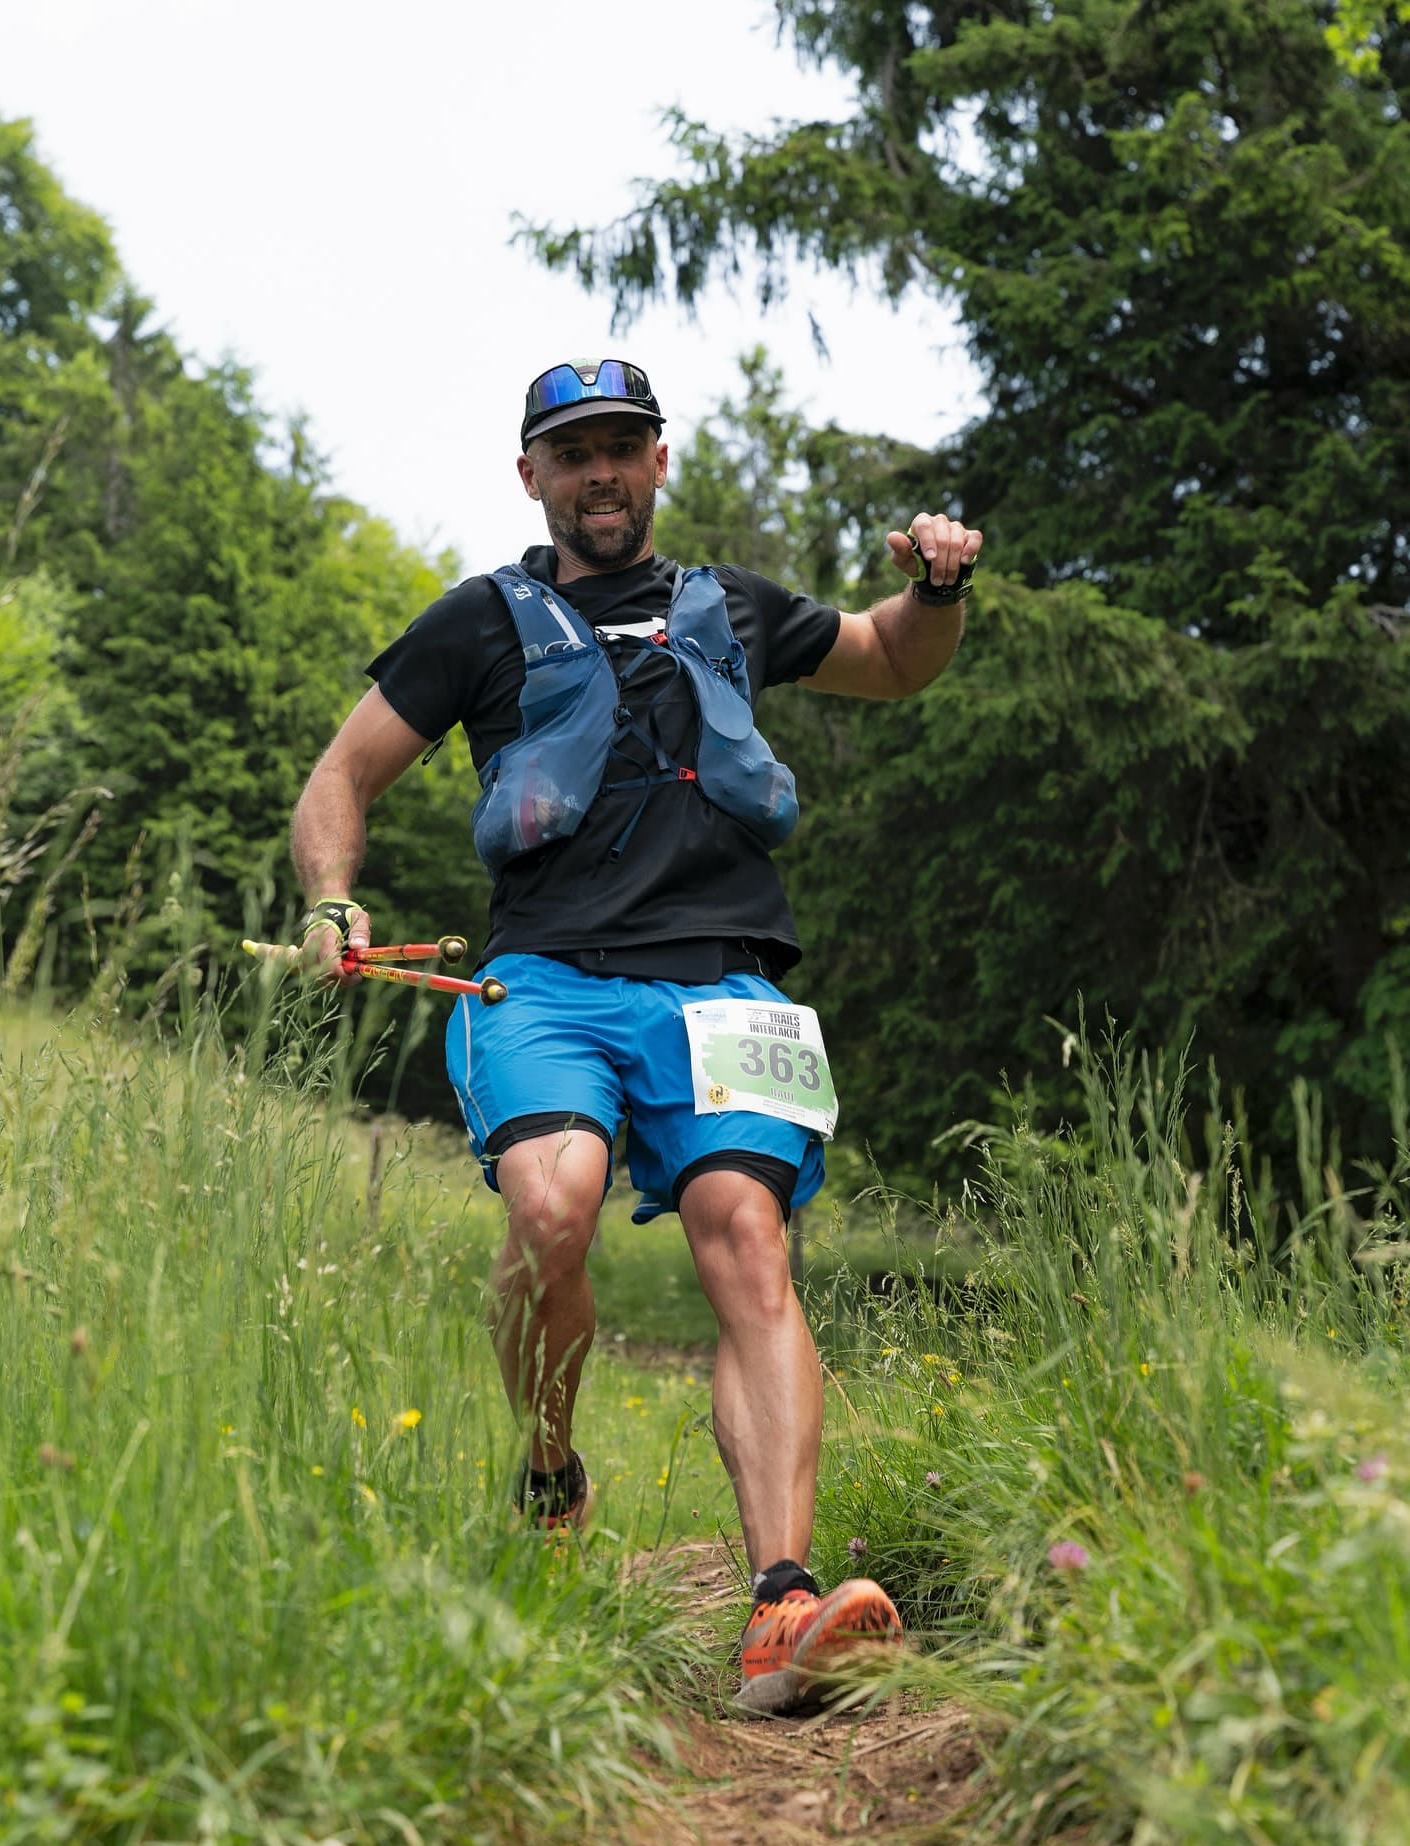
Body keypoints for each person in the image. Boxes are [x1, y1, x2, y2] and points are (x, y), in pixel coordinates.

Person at [290, 357, 981, 1715]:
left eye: (622, 446)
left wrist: (940, 585)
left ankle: (783, 1602)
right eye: (572, 451)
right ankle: (550, 1464)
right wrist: (332, 897)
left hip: (727, 989)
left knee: (746, 1238)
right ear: (532, 474)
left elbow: (895, 659)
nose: (599, 471)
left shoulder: (733, 608)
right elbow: (342, 775)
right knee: (552, 1210)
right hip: (545, 982)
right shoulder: (480, 622)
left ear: (660, 461)